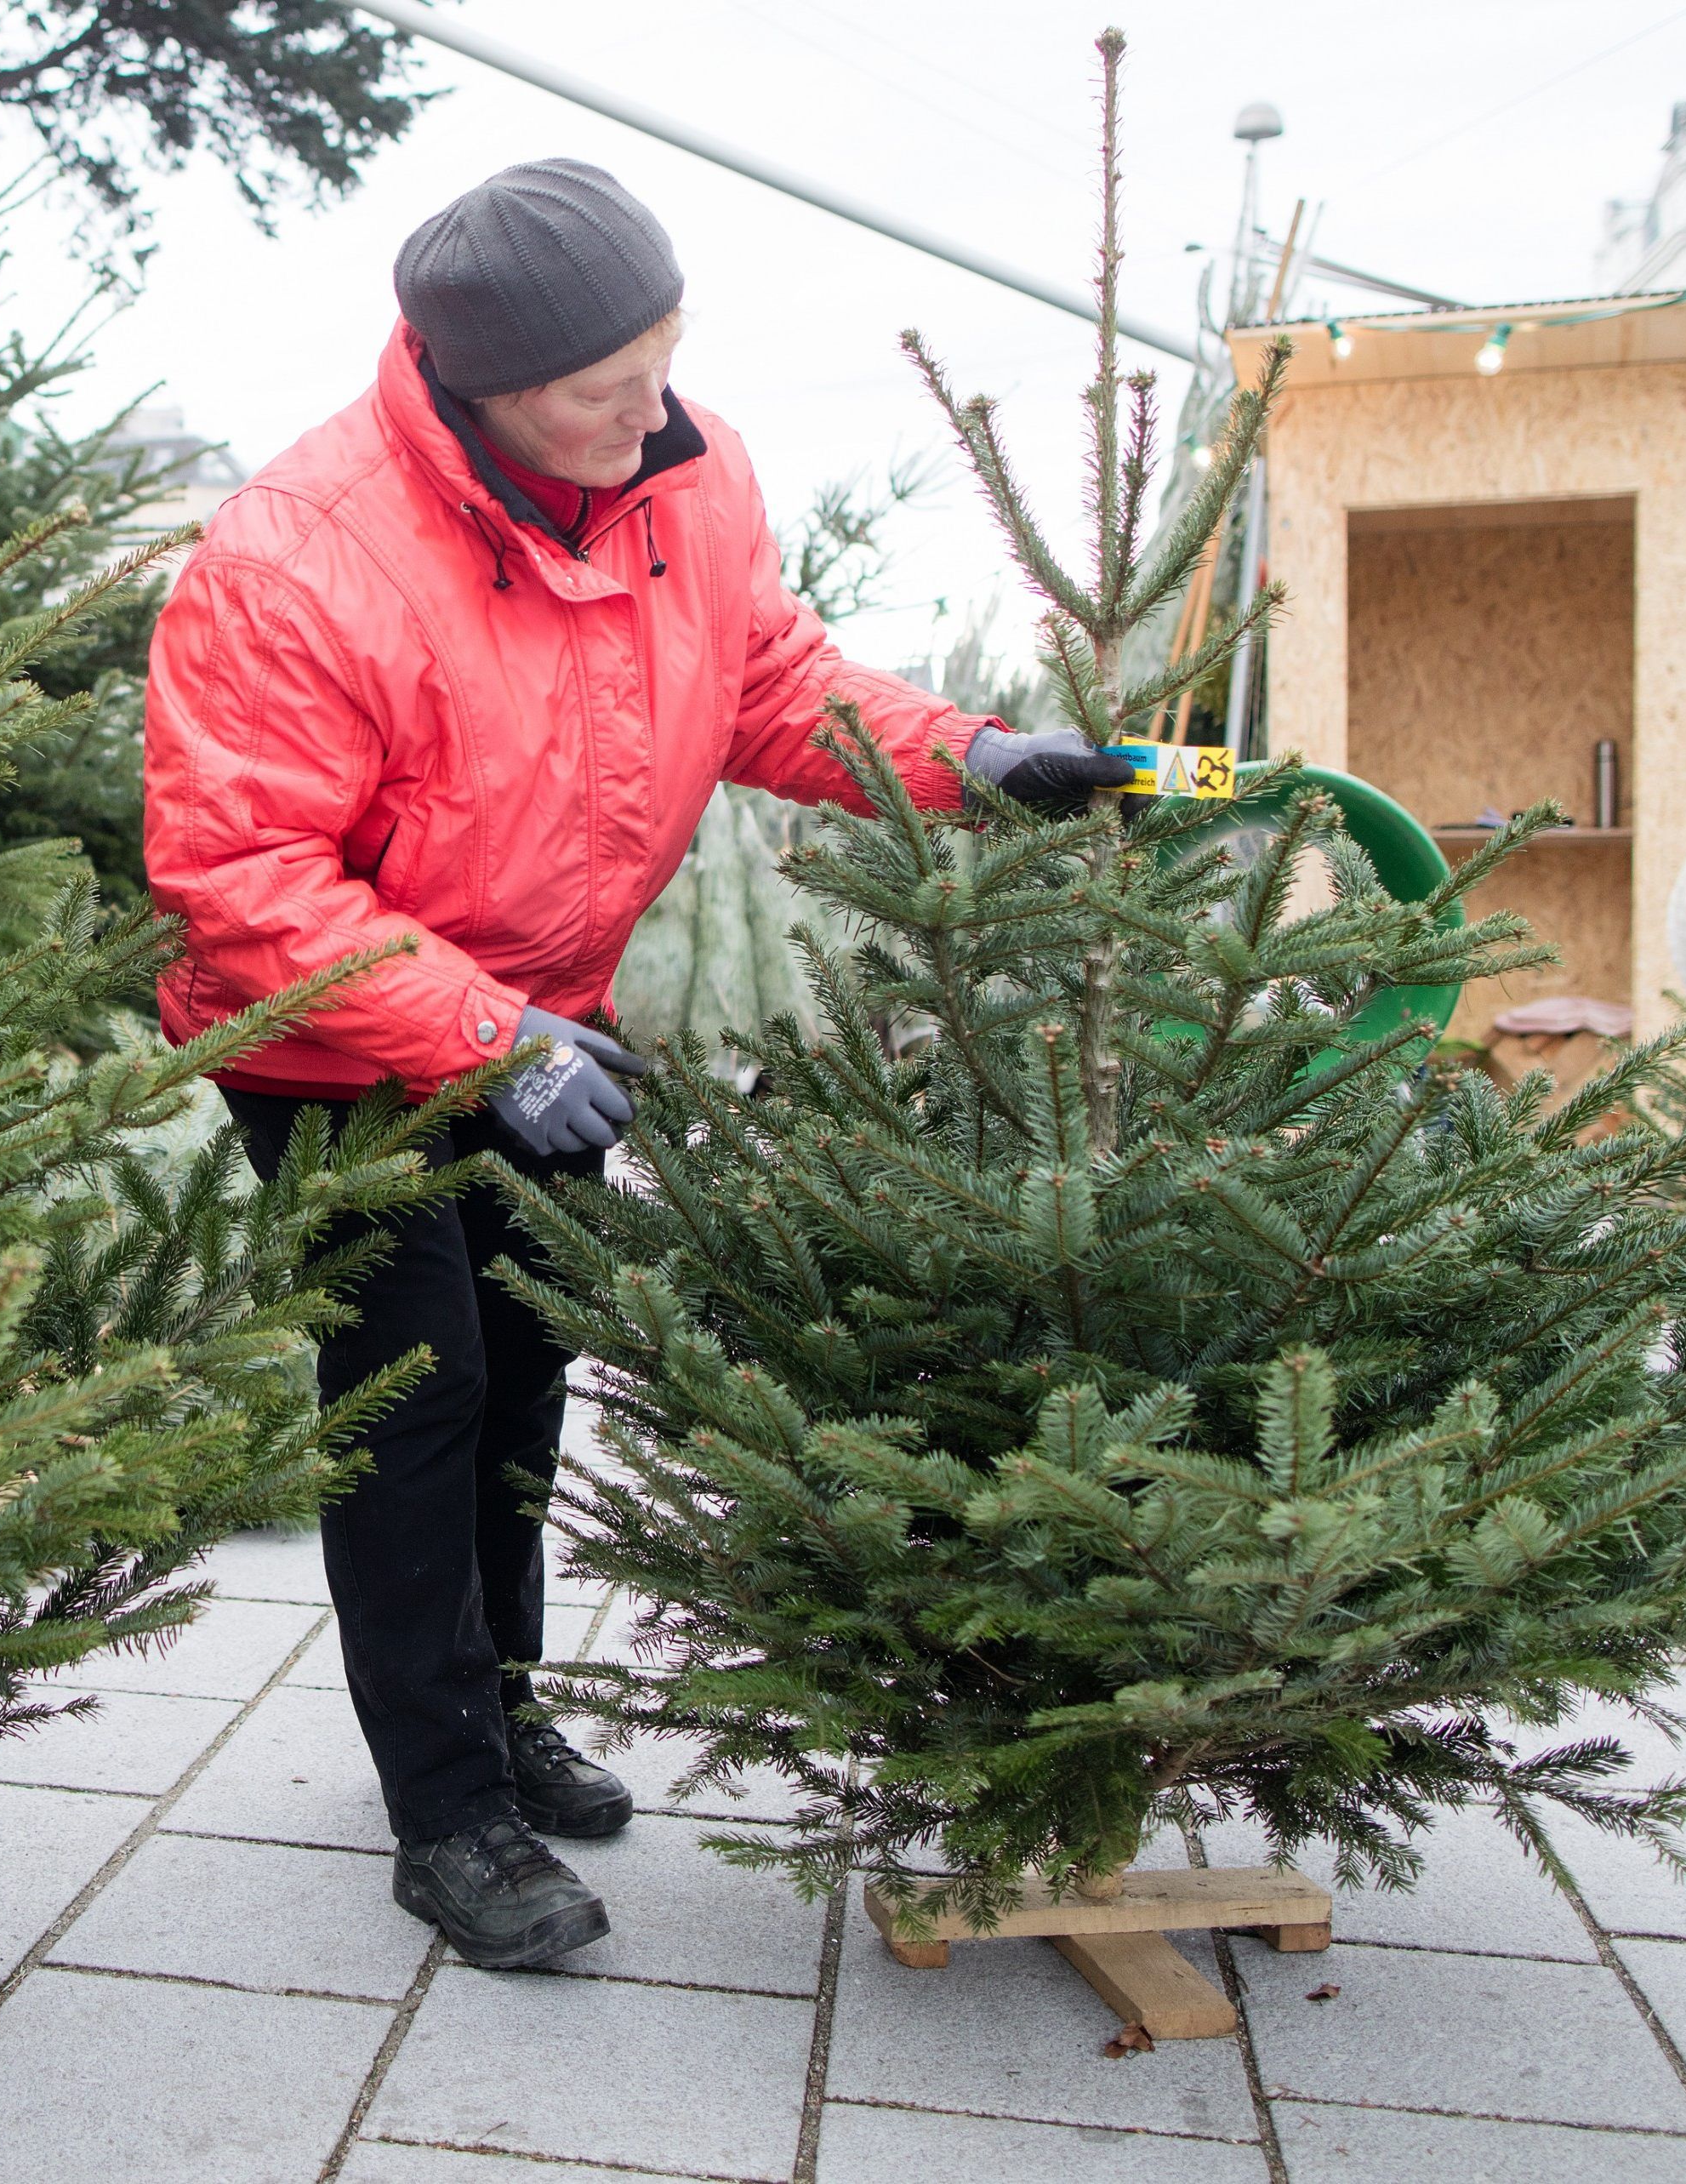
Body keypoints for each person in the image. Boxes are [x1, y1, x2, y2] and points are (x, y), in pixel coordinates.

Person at [142, 160, 1132, 1969]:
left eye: (663, 362)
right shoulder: (296, 556)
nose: (650, 409)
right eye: (604, 388)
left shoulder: (684, 471)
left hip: (543, 1013)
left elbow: (767, 684)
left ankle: (501, 1710)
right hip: (328, 1030)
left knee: (526, 1364)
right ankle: (443, 1817)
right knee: (414, 1390)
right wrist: (477, 1034)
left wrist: (968, 754)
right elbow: (240, 883)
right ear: (476, 388)